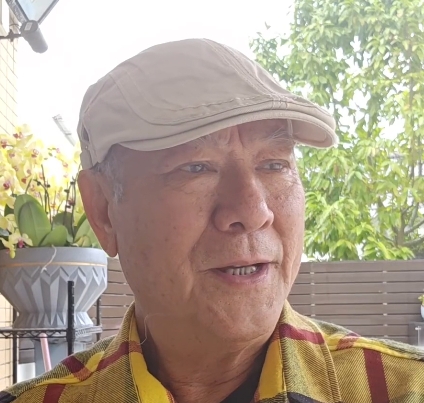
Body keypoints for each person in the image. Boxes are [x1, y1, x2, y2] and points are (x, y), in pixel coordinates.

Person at [1, 38, 423, 403]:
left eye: (274, 164)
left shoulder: (402, 389)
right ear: (103, 211)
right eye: (196, 167)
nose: (253, 211)